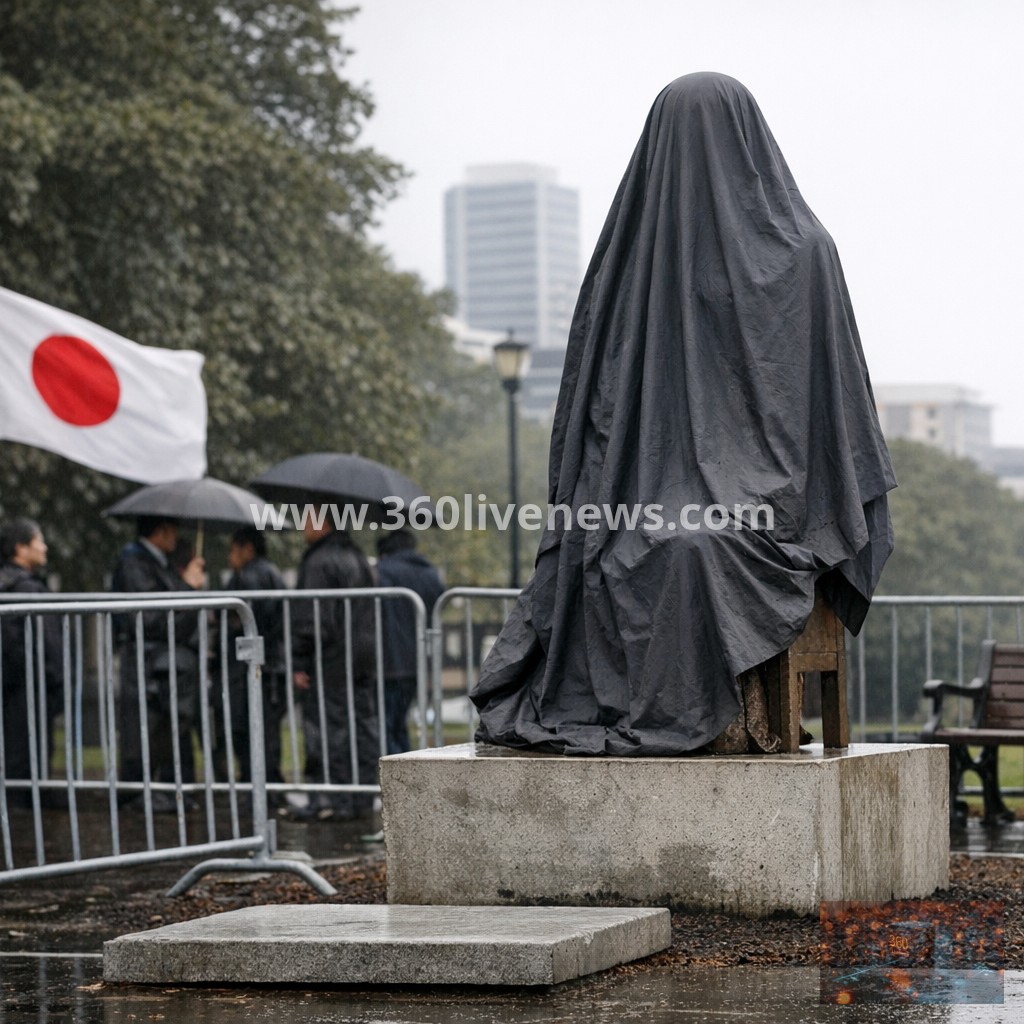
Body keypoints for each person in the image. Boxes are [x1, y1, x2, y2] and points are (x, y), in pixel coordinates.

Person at [471, 73, 895, 756]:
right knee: (634, 540)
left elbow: (830, 405)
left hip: (782, 501)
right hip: (645, 490)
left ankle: (735, 719)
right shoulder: (630, 264)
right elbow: (596, 404)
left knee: (692, 545)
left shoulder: (807, 254)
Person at [111, 516, 205, 810]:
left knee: (164, 730)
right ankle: (136, 794)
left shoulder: (160, 563)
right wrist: (188, 588)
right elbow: (152, 618)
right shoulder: (134, 562)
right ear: (161, 530)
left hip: (165, 665)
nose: (176, 536)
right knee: (142, 731)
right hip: (146, 664)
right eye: (173, 529)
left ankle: (166, 792)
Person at [291, 512, 377, 819]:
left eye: (308, 518)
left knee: (329, 730)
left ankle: (330, 799)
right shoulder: (357, 558)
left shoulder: (318, 561)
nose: (303, 525)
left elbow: (311, 620)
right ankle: (361, 798)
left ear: (323, 522)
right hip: (361, 659)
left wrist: (300, 661)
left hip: (331, 661)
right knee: (362, 728)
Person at [0, 518, 61, 805]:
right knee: (24, 761)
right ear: (20, 548)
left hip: (25, 687)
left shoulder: (18, 584)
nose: (45, 547)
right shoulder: (24, 588)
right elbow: (29, 644)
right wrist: (51, 677)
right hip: (27, 688)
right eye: (39, 541)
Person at [223, 526, 287, 789]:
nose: (230, 556)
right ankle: (268, 786)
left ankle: (259, 787)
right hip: (270, 665)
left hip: (256, 667)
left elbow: (244, 620)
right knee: (266, 731)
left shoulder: (251, 576)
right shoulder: (271, 573)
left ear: (247, 548)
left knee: (253, 730)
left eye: (233, 549)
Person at [376, 528, 444, 754]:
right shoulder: (429, 574)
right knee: (399, 721)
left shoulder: (382, 572)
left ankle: (392, 775)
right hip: (418, 660)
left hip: (387, 659)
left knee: (386, 723)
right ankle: (402, 771)